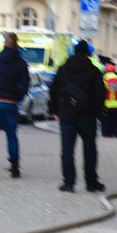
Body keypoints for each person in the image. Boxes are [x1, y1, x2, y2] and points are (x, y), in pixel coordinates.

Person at [49, 40, 107, 192]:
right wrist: (97, 112)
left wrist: (55, 111)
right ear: (88, 53)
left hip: (67, 115)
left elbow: (54, 91)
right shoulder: (94, 71)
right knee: (90, 149)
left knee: (67, 149)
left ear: (74, 52)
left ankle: (69, 183)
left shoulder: (63, 69)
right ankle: (91, 182)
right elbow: (101, 94)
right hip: (87, 116)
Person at [0, 32, 30, 179]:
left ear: (4, 43)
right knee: (12, 136)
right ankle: (15, 168)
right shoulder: (21, 63)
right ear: (16, 44)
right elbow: (25, 84)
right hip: (11, 102)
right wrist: (18, 98)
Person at [101, 61, 117, 138]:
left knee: (105, 120)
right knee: (115, 120)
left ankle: (106, 133)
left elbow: (102, 90)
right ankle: (115, 133)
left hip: (107, 103)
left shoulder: (105, 78)